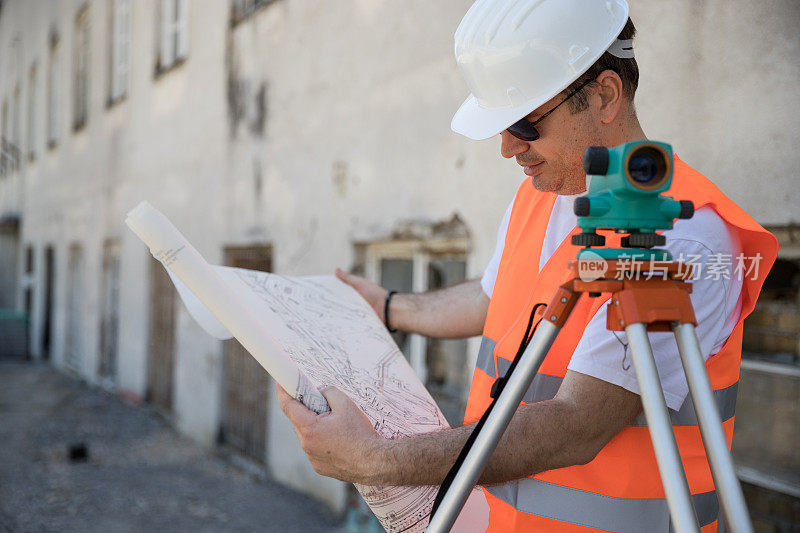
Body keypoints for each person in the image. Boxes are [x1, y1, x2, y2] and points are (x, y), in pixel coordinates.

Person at [277, 0, 778, 530]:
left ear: (603, 95)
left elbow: (577, 425)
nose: (507, 147)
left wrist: (375, 461)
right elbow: (494, 298)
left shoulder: (683, 241)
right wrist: (391, 307)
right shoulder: (542, 195)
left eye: (523, 121)